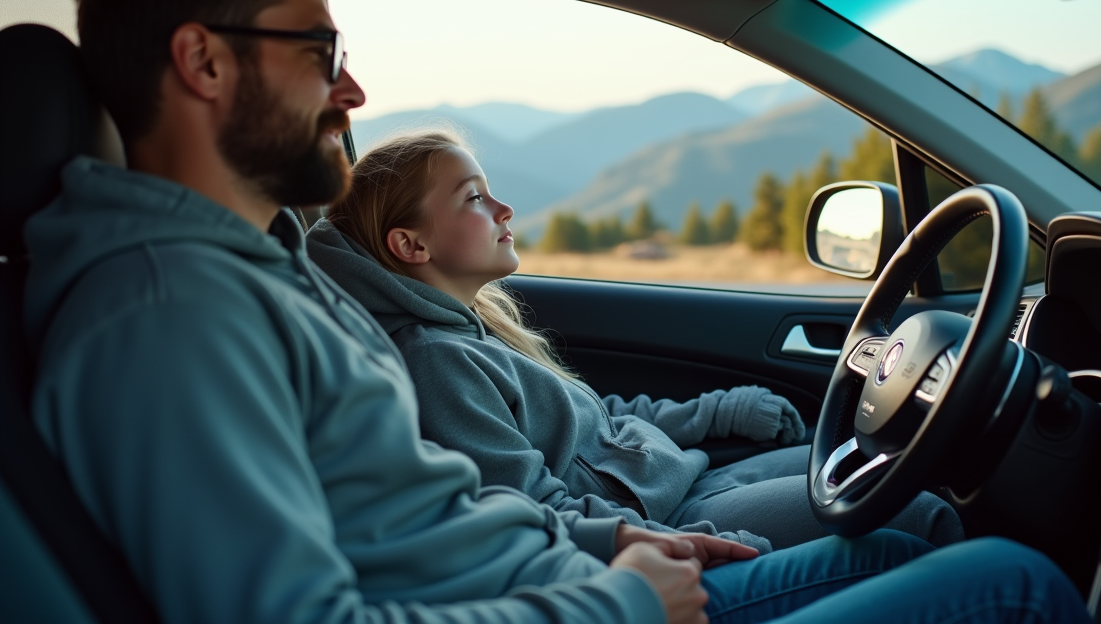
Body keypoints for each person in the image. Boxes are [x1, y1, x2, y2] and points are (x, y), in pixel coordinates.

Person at [24, 0, 1091, 624]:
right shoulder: (167, 312)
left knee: (910, 543)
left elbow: (424, 515)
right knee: (1010, 585)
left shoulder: (263, 268)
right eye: (322, 53)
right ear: (204, 62)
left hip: (569, 575)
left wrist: (614, 539)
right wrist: (620, 598)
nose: (351, 92)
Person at [306, 130, 963, 551]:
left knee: (895, 461)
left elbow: (601, 422)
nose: (504, 209)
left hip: (685, 482)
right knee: (919, 514)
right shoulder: (436, 362)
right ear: (410, 244)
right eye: (474, 198)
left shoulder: (475, 328)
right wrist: (675, 544)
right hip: (669, 521)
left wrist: (718, 411)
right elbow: (530, 510)